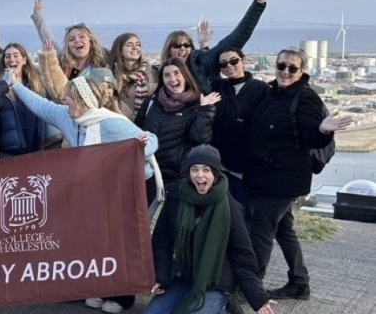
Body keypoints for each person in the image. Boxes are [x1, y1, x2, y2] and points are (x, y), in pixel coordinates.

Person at [10, 73, 160, 314]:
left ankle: (123, 295)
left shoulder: (111, 123)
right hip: (103, 186)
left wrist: (144, 144)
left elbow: (151, 140)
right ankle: (100, 285)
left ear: (81, 100)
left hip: (134, 184)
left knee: (120, 238)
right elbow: (41, 106)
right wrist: (14, 85)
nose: (63, 99)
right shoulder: (68, 118)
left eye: (68, 95)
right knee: (97, 236)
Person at [140, 145, 276, 314]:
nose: (200, 175)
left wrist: (257, 296)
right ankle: (191, 310)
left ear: (215, 173)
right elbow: (162, 239)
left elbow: (243, 255)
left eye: (206, 170)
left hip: (215, 281)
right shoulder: (177, 196)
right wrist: (161, 276)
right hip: (185, 276)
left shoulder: (230, 207)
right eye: (194, 170)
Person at [245, 47, 352, 300]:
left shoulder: (306, 98)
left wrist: (323, 130)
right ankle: (299, 282)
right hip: (265, 176)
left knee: (260, 233)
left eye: (292, 68)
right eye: (281, 66)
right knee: (284, 230)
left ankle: (251, 287)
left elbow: (312, 139)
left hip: (284, 180)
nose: (285, 72)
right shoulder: (271, 93)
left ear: (302, 70)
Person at [158, 0, 267, 94]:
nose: (183, 48)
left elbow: (237, 38)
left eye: (187, 44)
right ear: (168, 50)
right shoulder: (160, 72)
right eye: (177, 45)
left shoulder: (202, 62)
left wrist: (258, 4)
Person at [135, 58, 219, 202]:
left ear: (185, 75)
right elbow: (136, 130)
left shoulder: (196, 105)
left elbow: (200, 140)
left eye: (176, 73)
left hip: (177, 178)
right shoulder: (151, 103)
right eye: (167, 75)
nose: (172, 79)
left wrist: (206, 111)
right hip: (149, 173)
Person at [210, 47, 270, 228]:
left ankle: (243, 254)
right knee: (221, 214)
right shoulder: (218, 88)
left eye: (234, 61)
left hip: (246, 168)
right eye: (223, 64)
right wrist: (204, 44)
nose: (229, 66)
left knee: (244, 216)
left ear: (243, 61)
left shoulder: (262, 90)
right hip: (220, 165)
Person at [30, 0, 108, 101]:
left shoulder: (100, 66)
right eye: (72, 39)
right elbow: (49, 40)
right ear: (68, 46)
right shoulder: (63, 60)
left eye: (81, 36)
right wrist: (38, 16)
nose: (77, 41)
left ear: (91, 41)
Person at [0, 42, 48, 155]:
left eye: (16, 55)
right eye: (7, 56)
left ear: (24, 60)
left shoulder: (36, 84)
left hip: (34, 143)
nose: (12, 59)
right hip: (9, 149)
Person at [107, 32, 159, 118]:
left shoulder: (154, 73)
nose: (135, 47)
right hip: (123, 125)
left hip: (148, 125)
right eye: (129, 45)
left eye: (138, 44)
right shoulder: (112, 76)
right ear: (120, 51)